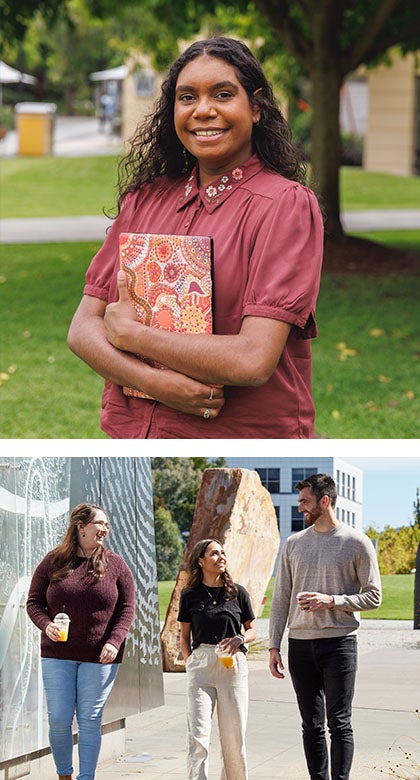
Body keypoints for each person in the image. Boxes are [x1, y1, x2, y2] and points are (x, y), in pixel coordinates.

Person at [67, 36, 324, 439]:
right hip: (137, 434)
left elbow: (253, 360)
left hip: (236, 437)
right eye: (187, 98)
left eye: (223, 94)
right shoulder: (144, 200)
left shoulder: (284, 205)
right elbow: (83, 328)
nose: (203, 111)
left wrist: (134, 335)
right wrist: (154, 383)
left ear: (256, 108)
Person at [268, 473, 382, 780]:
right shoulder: (293, 544)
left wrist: (332, 601)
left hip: (340, 644)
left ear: (325, 500)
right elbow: (281, 598)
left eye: (305, 501)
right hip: (300, 645)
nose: (300, 508)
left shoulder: (356, 543)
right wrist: (274, 646)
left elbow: (374, 596)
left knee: (340, 722)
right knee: (311, 724)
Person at [26, 503, 136, 780]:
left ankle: (87, 777)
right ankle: (64, 774)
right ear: (80, 526)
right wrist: (46, 624)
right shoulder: (53, 561)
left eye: (107, 525)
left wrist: (114, 640)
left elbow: (127, 607)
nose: (105, 529)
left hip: (100, 657)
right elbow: (34, 603)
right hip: (56, 654)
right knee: (60, 719)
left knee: (89, 720)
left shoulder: (116, 565)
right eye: (100, 523)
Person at [177, 538, 256, 779]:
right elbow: (184, 636)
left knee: (234, 737)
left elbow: (252, 629)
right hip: (201, 666)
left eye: (223, 552)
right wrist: (191, 662)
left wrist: (240, 639)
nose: (221, 557)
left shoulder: (237, 592)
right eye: (214, 553)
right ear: (201, 561)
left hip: (232, 666)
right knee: (198, 735)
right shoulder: (190, 595)